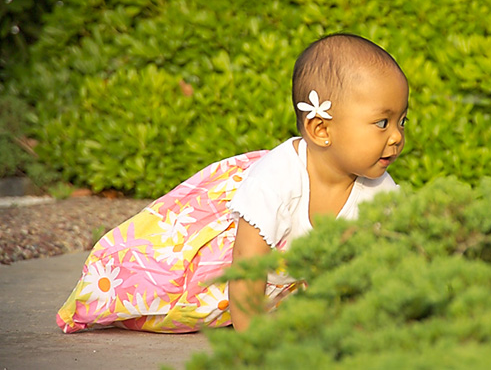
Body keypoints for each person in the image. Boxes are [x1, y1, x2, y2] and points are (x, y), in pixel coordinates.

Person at [56, 34, 409, 333]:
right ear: (321, 129)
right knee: (160, 303)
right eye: (382, 123)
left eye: (402, 121)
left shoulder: (380, 189)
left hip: (281, 283)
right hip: (225, 272)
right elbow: (245, 265)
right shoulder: (277, 177)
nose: (396, 137)